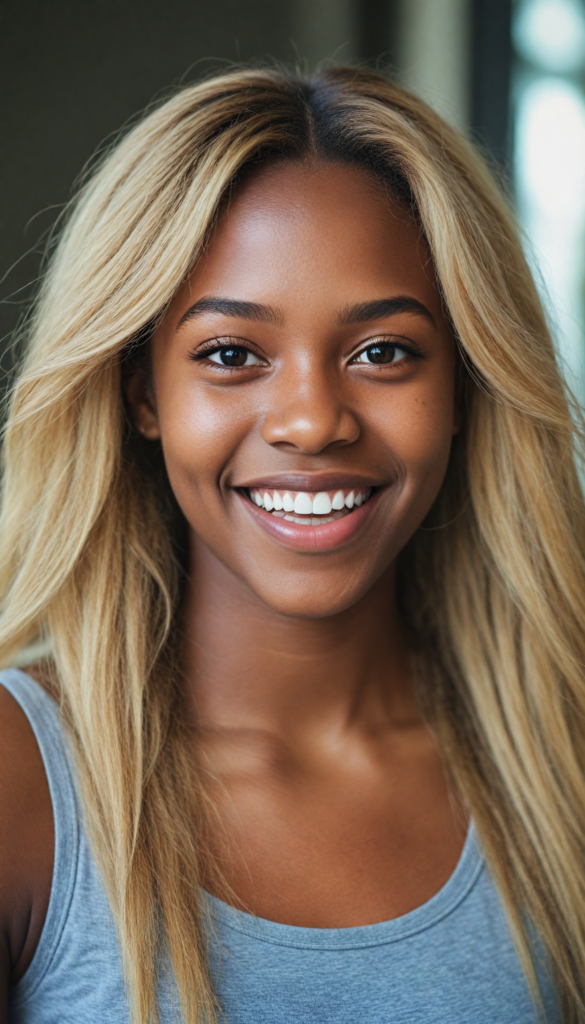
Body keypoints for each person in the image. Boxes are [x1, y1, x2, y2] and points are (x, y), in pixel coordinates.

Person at [0, 64, 582, 1024]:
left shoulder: (560, 760)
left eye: (382, 352)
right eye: (231, 355)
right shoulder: (23, 782)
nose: (311, 422)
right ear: (143, 394)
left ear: (463, 390)